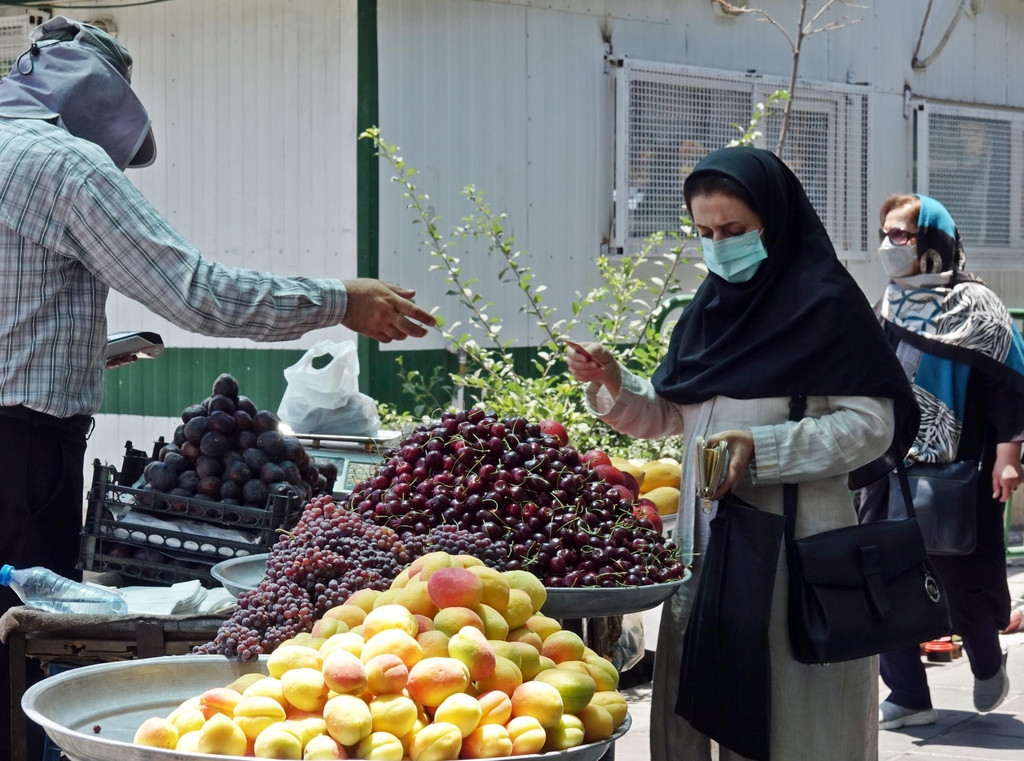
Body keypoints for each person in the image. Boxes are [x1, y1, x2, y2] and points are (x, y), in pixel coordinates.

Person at [0, 17, 435, 761]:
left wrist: (80, 354)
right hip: (20, 458)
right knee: (19, 665)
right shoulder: (63, 166)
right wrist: (338, 300)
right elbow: (198, 292)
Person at [568, 146, 919, 761]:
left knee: (791, 721)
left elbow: (871, 426)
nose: (718, 245)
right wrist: (613, 385)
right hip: (708, 547)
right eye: (705, 232)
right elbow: (673, 415)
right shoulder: (705, 315)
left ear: (774, 223)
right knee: (699, 703)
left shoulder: (828, 308)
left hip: (794, 550)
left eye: (733, 230)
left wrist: (762, 449)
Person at [858, 194, 1024, 729]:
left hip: (959, 472)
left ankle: (986, 660)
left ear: (934, 240)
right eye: (885, 233)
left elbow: (1009, 389)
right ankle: (908, 694)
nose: (889, 245)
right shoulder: (889, 303)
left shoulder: (979, 307)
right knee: (882, 577)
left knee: (958, 574)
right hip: (887, 469)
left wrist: (1008, 458)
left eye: (902, 234)